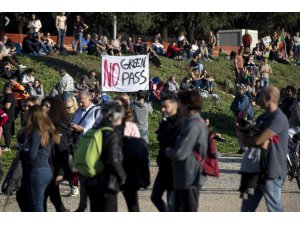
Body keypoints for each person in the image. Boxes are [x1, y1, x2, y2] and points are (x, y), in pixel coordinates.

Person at [241, 86, 289, 212]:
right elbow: (246, 140)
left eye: (260, 95)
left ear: (268, 98)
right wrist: (253, 140)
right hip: (256, 171)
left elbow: (257, 140)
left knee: (274, 210)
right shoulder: (262, 117)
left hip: (272, 171)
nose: (256, 96)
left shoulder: (278, 118)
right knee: (246, 210)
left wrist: (253, 140)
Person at [166, 90, 208, 212]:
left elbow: (181, 153)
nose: (179, 106)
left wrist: (168, 151)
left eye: (180, 103)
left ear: (187, 105)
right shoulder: (190, 122)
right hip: (185, 176)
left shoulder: (194, 125)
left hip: (190, 177)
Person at [85, 101, 126, 211]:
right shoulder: (112, 134)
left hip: (92, 179)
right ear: (116, 117)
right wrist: (122, 177)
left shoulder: (95, 130)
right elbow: (114, 159)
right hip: (107, 182)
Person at [20, 105, 61, 211]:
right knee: (40, 204)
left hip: (36, 172)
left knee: (36, 206)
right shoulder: (48, 130)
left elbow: (32, 156)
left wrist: (22, 152)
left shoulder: (35, 132)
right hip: (46, 171)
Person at [151, 93, 182, 212]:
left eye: (166, 106)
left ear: (175, 106)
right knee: (155, 197)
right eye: (162, 106)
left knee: (172, 203)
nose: (162, 109)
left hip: (176, 170)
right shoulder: (164, 123)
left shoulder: (182, 124)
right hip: (163, 168)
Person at [71, 90, 101, 211]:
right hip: (78, 145)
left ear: (90, 99)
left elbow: (100, 130)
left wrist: (82, 129)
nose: (80, 104)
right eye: (79, 102)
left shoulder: (97, 111)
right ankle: (82, 204)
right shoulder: (79, 110)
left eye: (82, 102)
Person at [230, 84, 253, 154]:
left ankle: (246, 147)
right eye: (238, 88)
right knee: (239, 133)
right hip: (237, 116)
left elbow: (241, 107)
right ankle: (241, 148)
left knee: (244, 132)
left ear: (243, 89)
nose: (239, 90)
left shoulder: (245, 97)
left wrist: (235, 107)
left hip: (244, 116)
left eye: (240, 88)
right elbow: (231, 106)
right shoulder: (237, 97)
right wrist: (234, 107)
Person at [1, 82, 15, 152]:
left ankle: (8, 146)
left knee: (6, 130)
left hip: (7, 116)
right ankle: (7, 145)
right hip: (7, 115)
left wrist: (0, 106)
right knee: (6, 130)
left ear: (6, 88)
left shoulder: (9, 96)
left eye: (4, 88)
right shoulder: (8, 95)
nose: (3, 89)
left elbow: (7, 106)